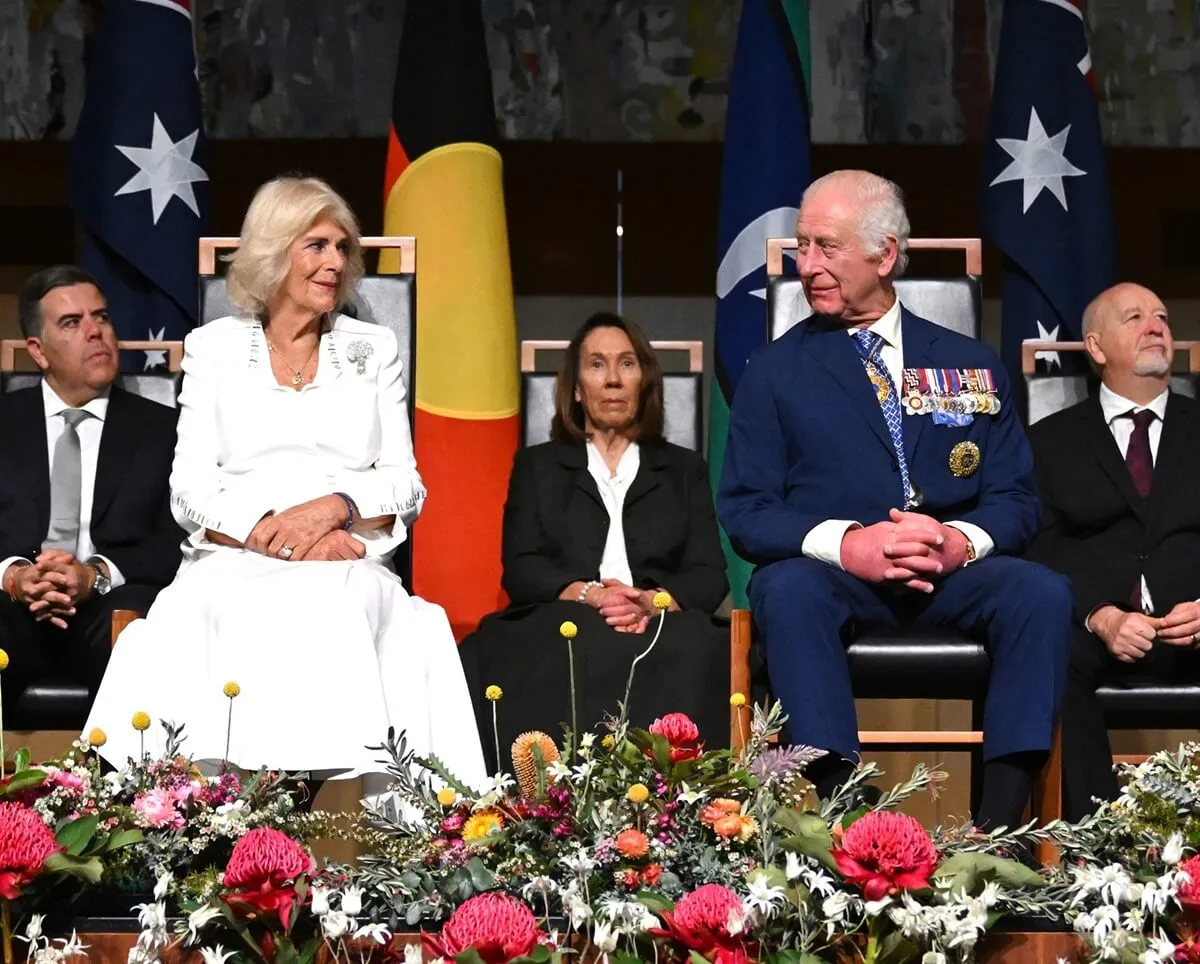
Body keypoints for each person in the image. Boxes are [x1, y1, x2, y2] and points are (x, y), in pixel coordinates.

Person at [84, 176, 487, 787]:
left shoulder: (373, 348)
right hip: (236, 552)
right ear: (273, 253)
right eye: (317, 245)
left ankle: (316, 799)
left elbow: (405, 484)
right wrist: (277, 535)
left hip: (348, 554)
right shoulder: (213, 348)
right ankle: (211, 812)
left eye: (342, 248)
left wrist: (334, 508)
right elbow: (190, 487)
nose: (335, 263)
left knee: (344, 601)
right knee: (210, 604)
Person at [718, 170, 1071, 831]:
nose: (807, 265)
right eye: (801, 247)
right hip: (836, 581)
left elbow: (1017, 500)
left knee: (1041, 592)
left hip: (952, 575)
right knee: (784, 590)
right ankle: (847, 822)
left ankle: (999, 831)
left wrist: (958, 541)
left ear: (883, 255)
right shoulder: (773, 371)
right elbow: (746, 511)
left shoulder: (969, 363)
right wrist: (850, 545)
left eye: (827, 247)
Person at [458, 313, 729, 772]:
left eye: (627, 364)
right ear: (577, 387)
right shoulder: (538, 466)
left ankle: (682, 806)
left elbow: (708, 575)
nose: (613, 379)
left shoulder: (684, 469)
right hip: (568, 613)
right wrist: (594, 595)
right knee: (521, 644)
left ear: (644, 380)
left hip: (658, 618)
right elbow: (522, 569)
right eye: (597, 365)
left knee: (702, 646)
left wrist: (650, 601)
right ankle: (541, 804)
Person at [1027, 282, 1200, 821]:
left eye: (1162, 317)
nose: (1155, 326)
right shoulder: (1047, 442)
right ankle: (1096, 848)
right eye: (1134, 318)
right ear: (1097, 348)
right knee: (1044, 652)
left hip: (1192, 621)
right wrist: (1098, 614)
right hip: (1092, 629)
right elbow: (1037, 544)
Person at [0, 266, 180, 705]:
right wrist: (14, 576)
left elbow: (177, 537)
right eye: (72, 322)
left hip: (111, 601)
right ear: (38, 351)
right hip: (13, 606)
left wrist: (95, 575)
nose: (95, 332)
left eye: (101, 317)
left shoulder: (163, 429)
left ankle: (121, 776)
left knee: (136, 622)